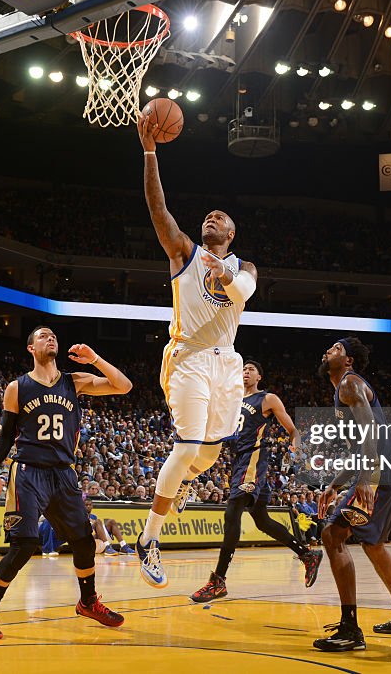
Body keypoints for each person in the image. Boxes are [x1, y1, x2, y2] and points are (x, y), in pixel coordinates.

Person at [133, 113, 257, 589]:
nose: (212, 217)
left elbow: (244, 289)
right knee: (186, 447)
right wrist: (150, 152)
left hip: (227, 362)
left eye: (220, 218)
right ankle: (149, 539)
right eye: (208, 215)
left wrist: (225, 274)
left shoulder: (242, 264)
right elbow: (158, 211)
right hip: (187, 356)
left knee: (206, 456)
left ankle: (183, 483)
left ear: (231, 233)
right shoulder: (184, 252)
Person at [0, 327, 132, 639]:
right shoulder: (17, 387)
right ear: (31, 347)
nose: (51, 338)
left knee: (84, 542)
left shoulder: (74, 381)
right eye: (43, 336)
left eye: (53, 336)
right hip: (28, 471)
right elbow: (6, 435)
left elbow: (123, 386)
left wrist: (94, 359)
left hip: (63, 473)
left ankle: (88, 602)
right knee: (24, 544)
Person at [313, 337, 391, 652]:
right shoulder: (346, 388)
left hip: (379, 472)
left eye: (335, 348)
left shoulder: (349, 384)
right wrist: (336, 483)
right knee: (373, 545)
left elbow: (371, 434)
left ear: (348, 360)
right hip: (388, 470)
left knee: (333, 535)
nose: (327, 351)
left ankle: (350, 629)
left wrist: (365, 478)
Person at [191, 360, 321, 602]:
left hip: (253, 462)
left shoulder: (267, 399)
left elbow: (293, 430)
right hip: (238, 461)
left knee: (232, 515)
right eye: (243, 369)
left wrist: (296, 446)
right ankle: (306, 554)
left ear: (259, 376)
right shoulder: (233, 401)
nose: (245, 373)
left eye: (250, 370)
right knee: (262, 521)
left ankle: (218, 581)